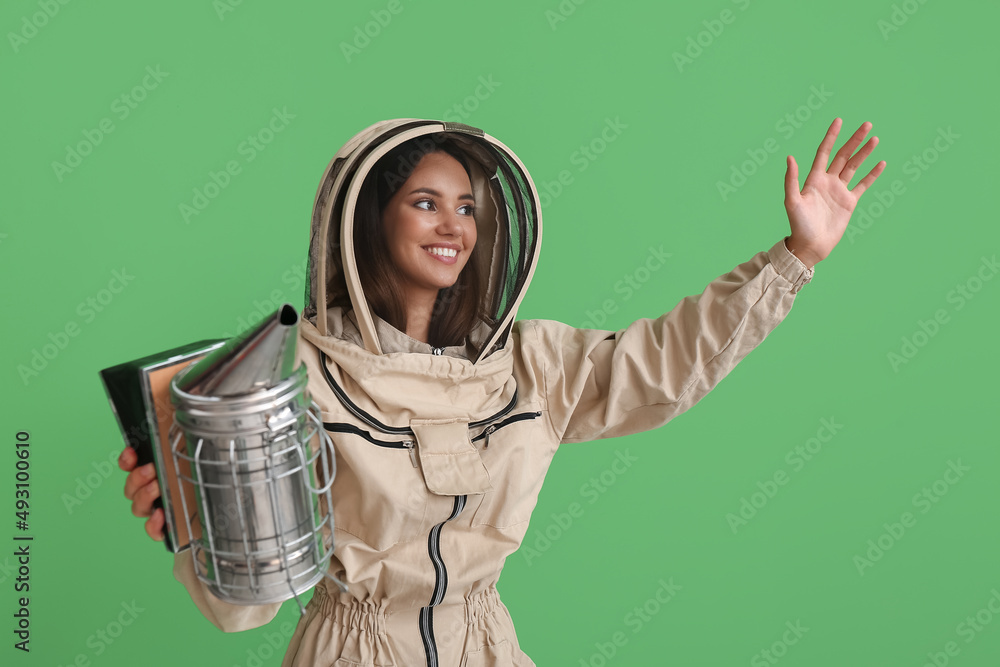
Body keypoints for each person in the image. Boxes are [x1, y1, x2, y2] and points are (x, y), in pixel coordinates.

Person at [120, 117, 884, 665]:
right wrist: (193, 518)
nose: (453, 223)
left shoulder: (530, 363)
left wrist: (795, 257)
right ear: (370, 221)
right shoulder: (302, 379)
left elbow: (667, 363)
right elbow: (243, 606)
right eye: (425, 201)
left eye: (466, 206)